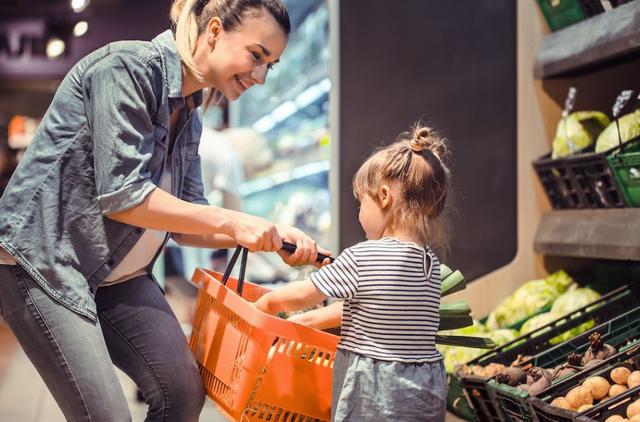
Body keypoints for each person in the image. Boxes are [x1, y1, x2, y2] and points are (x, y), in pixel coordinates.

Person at [0, 0, 330, 420]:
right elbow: (124, 195)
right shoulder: (127, 68)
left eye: (272, 65)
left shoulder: (191, 116)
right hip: (45, 267)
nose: (261, 77)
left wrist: (268, 232)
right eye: (256, 56)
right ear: (214, 31)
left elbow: (189, 220)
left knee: (183, 393)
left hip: (115, 275)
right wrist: (236, 221)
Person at [254, 124, 450, 421]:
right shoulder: (429, 264)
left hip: (375, 392)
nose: (359, 212)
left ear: (384, 196)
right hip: (422, 390)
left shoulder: (365, 255)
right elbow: (376, 313)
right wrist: (308, 319)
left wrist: (265, 305)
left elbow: (302, 294)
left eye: (361, 202)